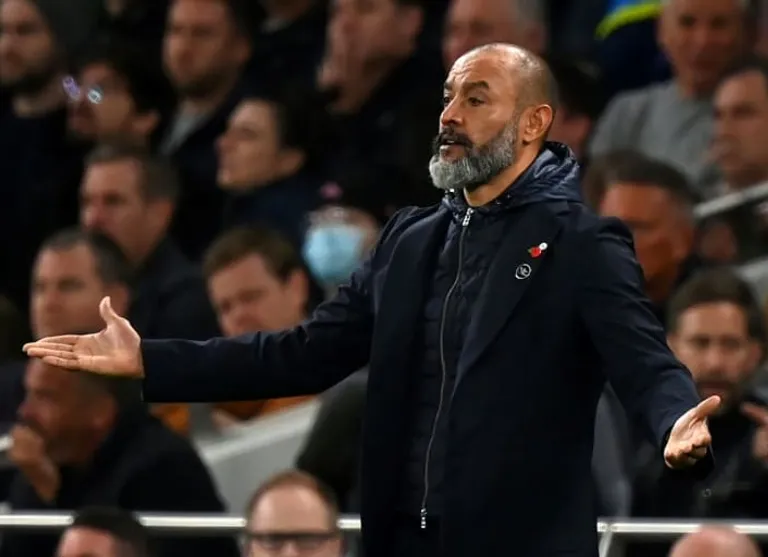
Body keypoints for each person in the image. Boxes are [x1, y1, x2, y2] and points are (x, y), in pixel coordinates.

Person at [24, 44, 718, 557]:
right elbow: (304, 353)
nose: (450, 115)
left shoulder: (581, 243)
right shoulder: (409, 241)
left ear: (534, 122)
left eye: (476, 99)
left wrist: (675, 419)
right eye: (448, 96)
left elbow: (644, 361)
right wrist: (152, 359)